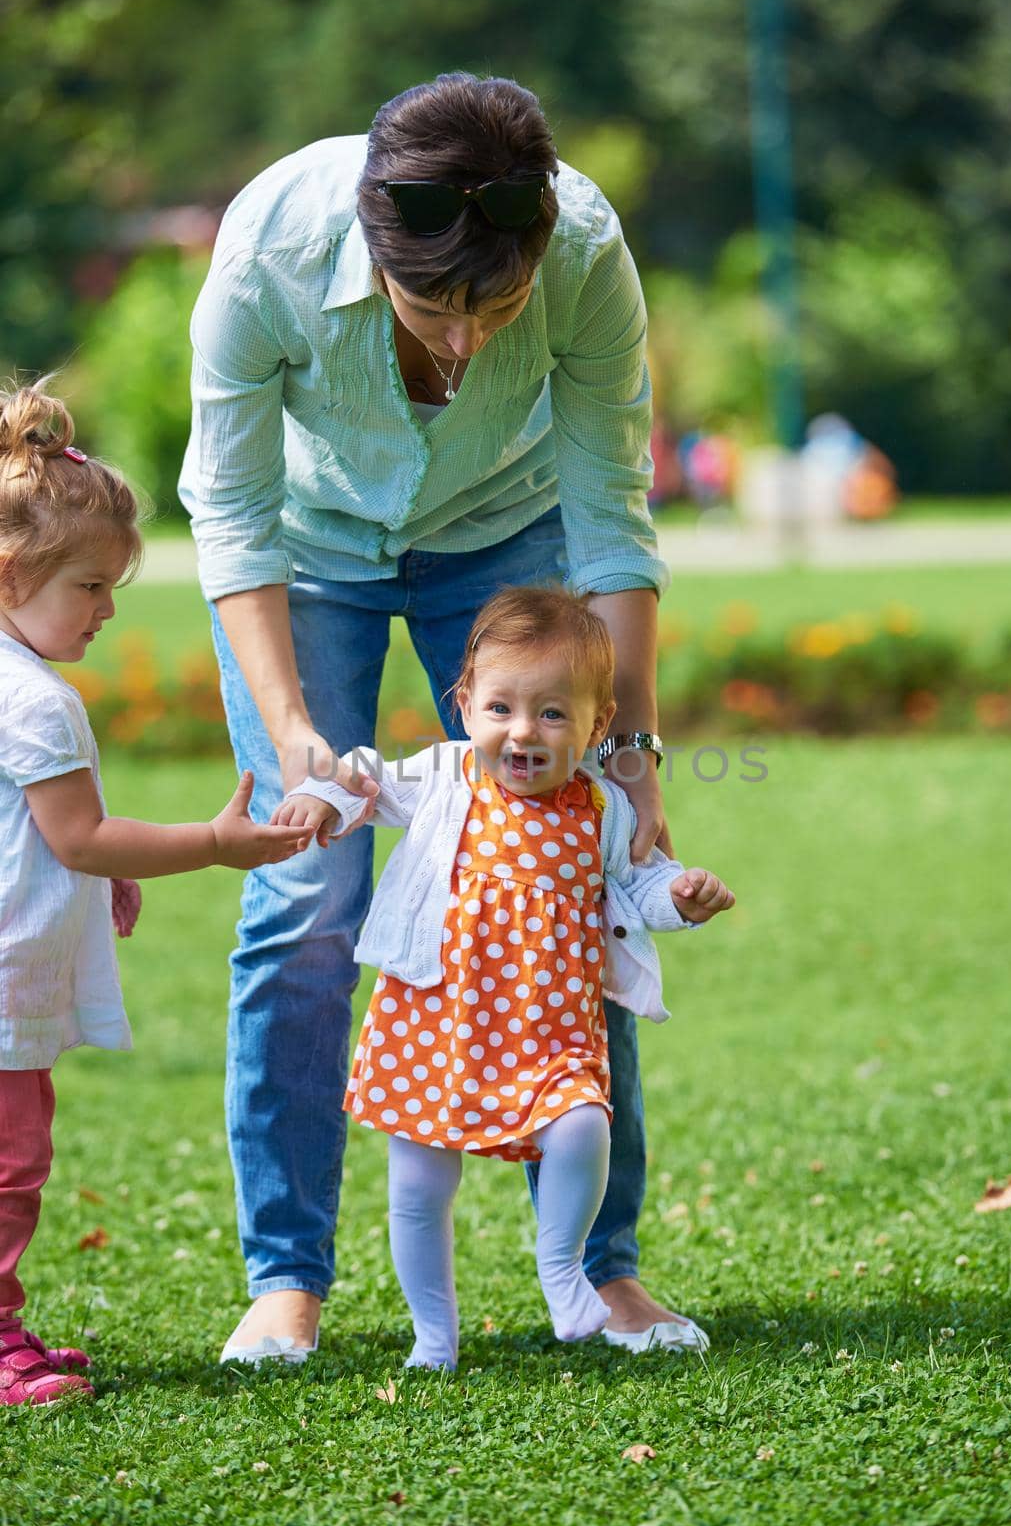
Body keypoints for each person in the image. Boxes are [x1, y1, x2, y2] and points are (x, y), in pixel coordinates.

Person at [179, 71, 704, 1365]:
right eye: (433, 310)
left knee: (583, 871)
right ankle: (288, 1278)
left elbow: (610, 514)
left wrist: (629, 753)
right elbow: (232, 518)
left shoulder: (582, 247)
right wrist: (296, 732)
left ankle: (600, 1269)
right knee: (305, 902)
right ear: (375, 245)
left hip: (505, 538)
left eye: (499, 310)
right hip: (306, 557)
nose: (466, 347)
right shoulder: (267, 249)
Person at [278, 587, 734, 1370]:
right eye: (501, 709)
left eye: (553, 715)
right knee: (419, 1186)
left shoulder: (602, 806)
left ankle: (563, 1271)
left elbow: (643, 883)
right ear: (464, 705)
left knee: (586, 1125)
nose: (523, 733)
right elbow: (363, 780)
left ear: (597, 724)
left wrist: (685, 898)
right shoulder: (448, 776)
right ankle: (433, 1335)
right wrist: (320, 797)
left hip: (547, 1028)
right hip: (436, 1017)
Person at [0, 384, 312, 1406]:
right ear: (11, 576)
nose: (106, 609)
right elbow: (78, 834)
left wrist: (97, 886)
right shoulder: (36, 701)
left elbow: (47, 845)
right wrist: (217, 844)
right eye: (89, 586)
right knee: (9, 1168)